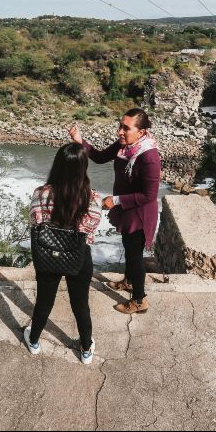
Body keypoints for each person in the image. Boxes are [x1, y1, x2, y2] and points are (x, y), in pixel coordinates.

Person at [69, 107, 161, 315]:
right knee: (129, 250)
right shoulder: (124, 145)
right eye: (120, 125)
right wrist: (79, 139)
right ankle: (128, 281)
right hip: (126, 208)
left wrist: (115, 200)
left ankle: (139, 300)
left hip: (139, 212)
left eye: (126, 128)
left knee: (135, 256)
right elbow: (100, 157)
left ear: (142, 132)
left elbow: (149, 195)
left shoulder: (149, 157)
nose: (120, 131)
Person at [24, 143, 103, 364]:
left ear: (57, 165)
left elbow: (35, 222)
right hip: (78, 256)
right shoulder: (93, 198)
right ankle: (86, 349)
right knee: (80, 304)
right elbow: (89, 229)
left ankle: (34, 341)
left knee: (44, 301)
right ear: (83, 168)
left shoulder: (40, 194)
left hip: (47, 254)